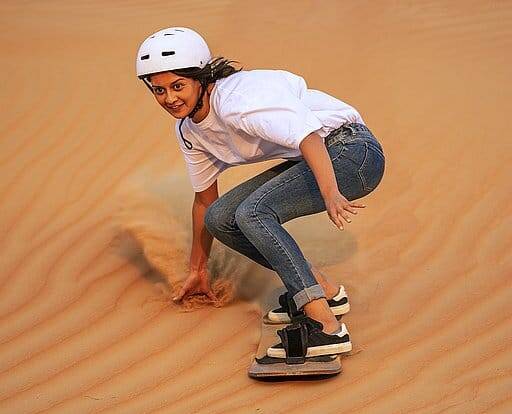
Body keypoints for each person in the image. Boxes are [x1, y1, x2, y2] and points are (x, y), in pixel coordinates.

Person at [135, 27, 385, 358]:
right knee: (222, 218)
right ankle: (325, 292)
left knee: (252, 213)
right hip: (317, 159)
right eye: (159, 90)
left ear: (201, 78)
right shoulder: (190, 132)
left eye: (177, 86)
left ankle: (326, 328)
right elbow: (204, 202)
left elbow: (308, 136)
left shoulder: (238, 102)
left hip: (351, 152)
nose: (169, 98)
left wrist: (331, 193)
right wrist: (198, 269)